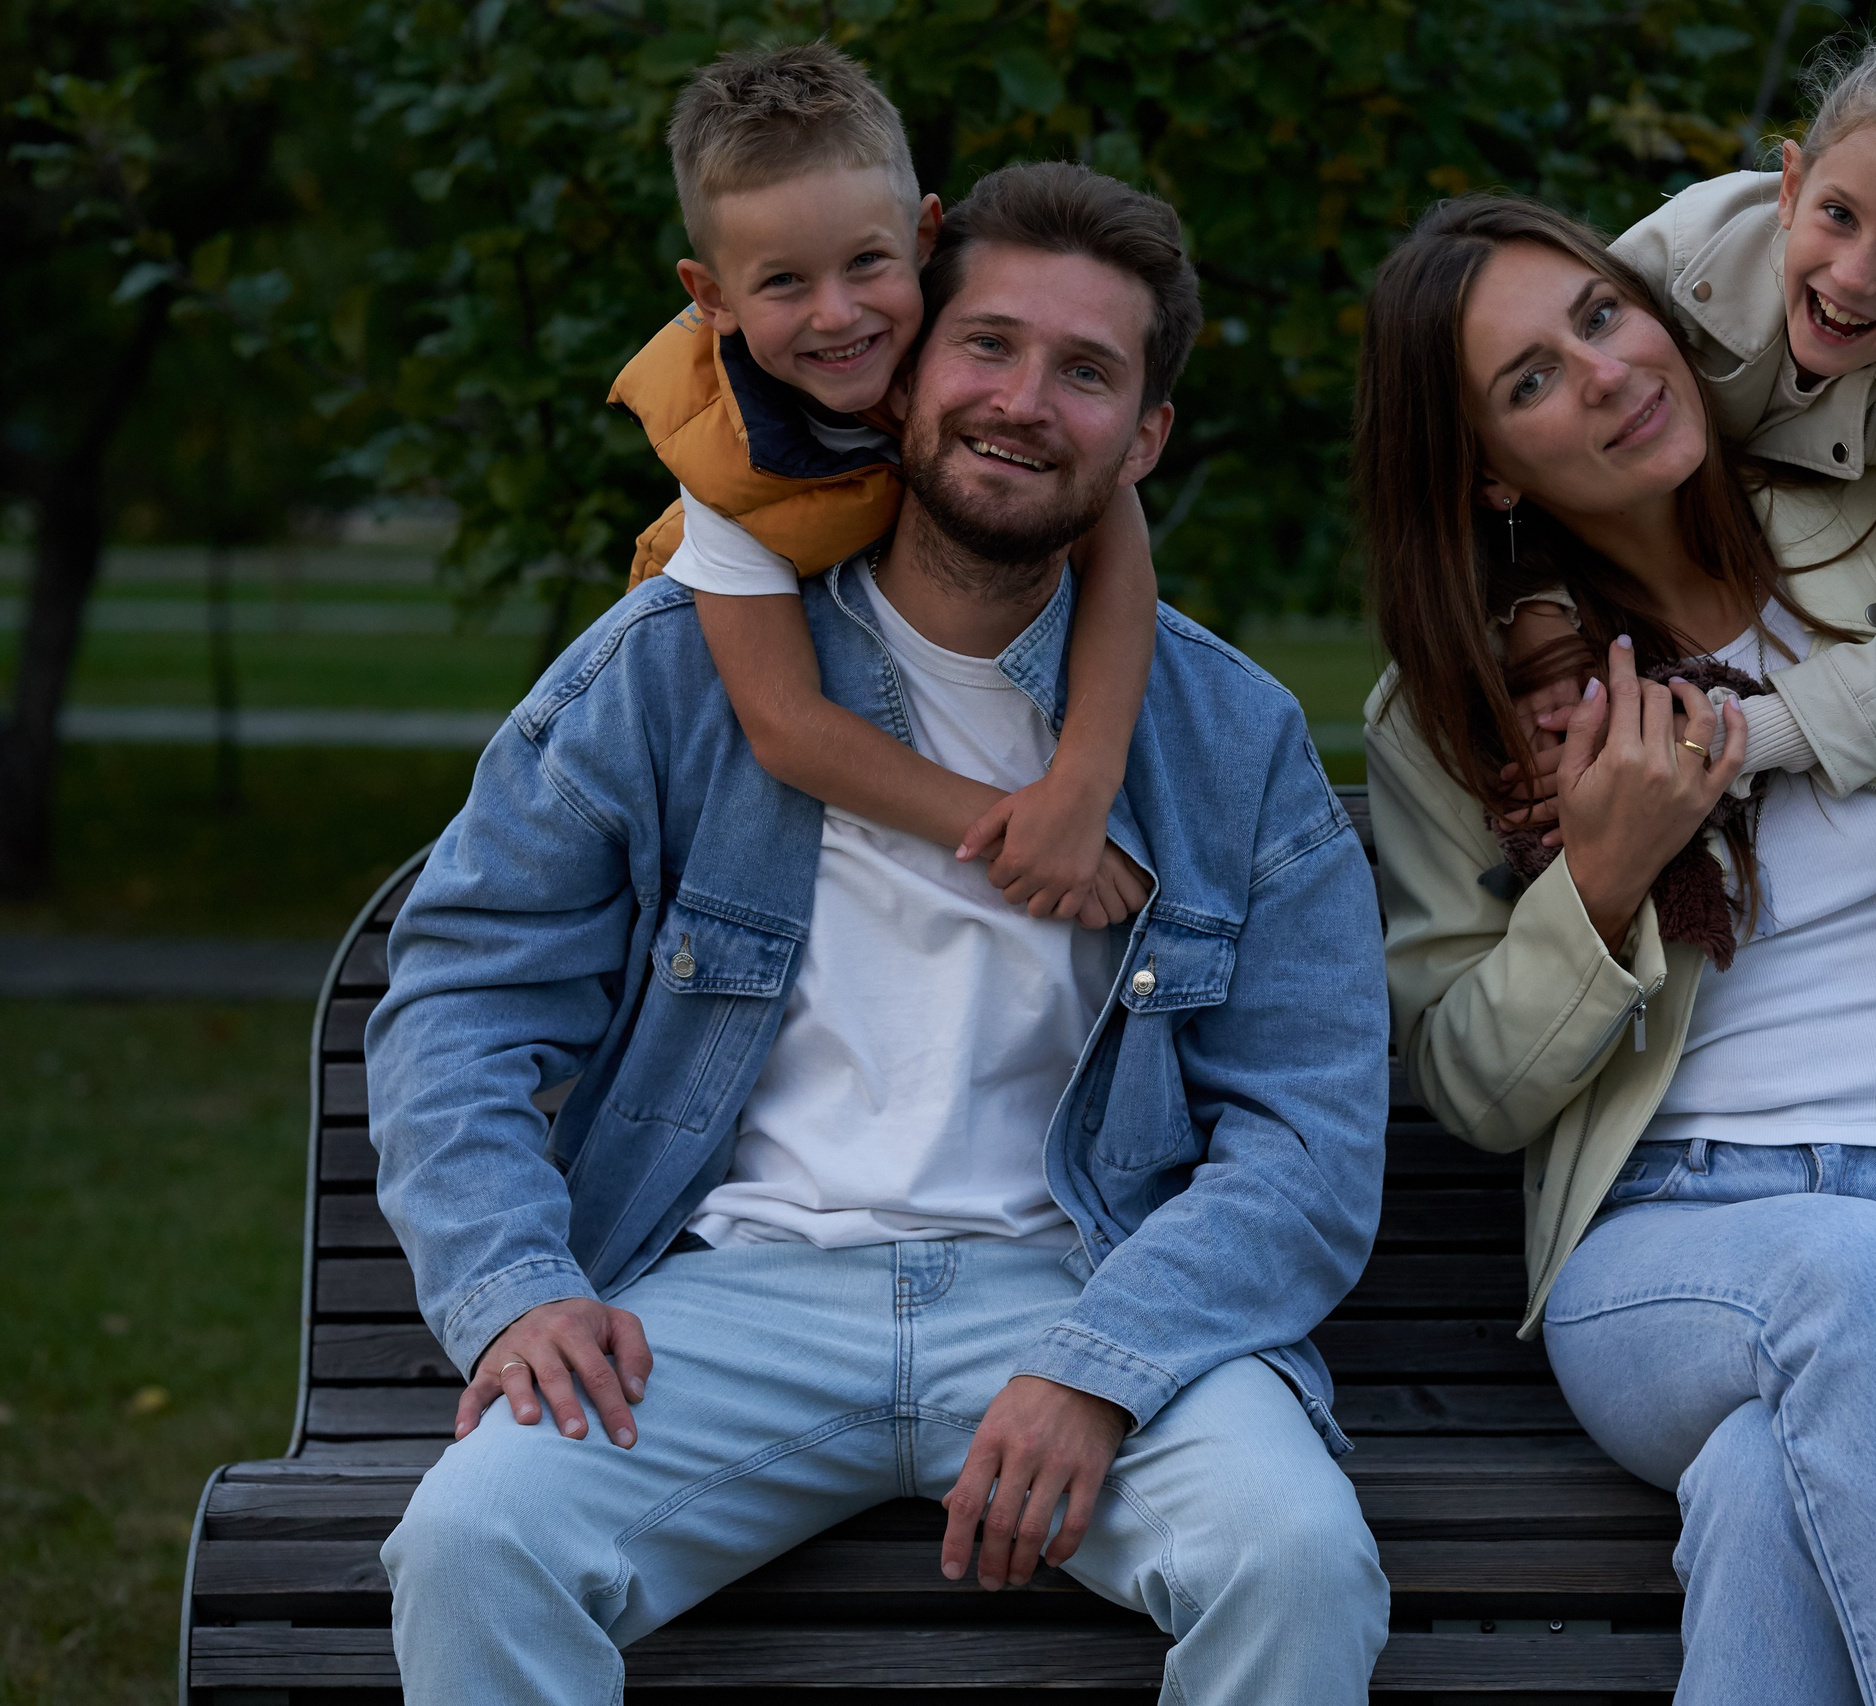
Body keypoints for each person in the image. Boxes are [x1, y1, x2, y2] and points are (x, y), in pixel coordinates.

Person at [368, 160, 1391, 1703]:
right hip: (724, 1296)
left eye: (1087, 371)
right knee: (474, 1544)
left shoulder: (1229, 738)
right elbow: (465, 996)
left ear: (1144, 438)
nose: (1023, 402)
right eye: (989, 345)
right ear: (906, 372)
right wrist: (515, 1281)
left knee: (1296, 1558)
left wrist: (1101, 1365)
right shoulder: (672, 664)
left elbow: (1308, 1136)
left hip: (1082, 1286)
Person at [1353, 173, 1876, 1705]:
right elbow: (1473, 1085)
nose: (1604, 371)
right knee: (1850, 1276)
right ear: (1486, 472)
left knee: (1766, 1483)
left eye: (1603, 314)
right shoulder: (1463, 714)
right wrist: (1599, 880)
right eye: (1530, 380)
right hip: (1673, 1248)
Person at [611, 43, 1153, 926]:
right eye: (783, 281)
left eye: (867, 262)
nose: (837, 314)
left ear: (923, 237)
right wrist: (1026, 832)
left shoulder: (979, 367)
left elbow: (1117, 545)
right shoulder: (730, 461)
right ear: (713, 296)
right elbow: (785, 724)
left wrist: (1083, 788)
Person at [1501, 38, 1876, 814]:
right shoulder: (1680, 256)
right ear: (1790, 187)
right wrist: (1535, 611)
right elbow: (1524, 438)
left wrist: (1736, 736)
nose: (1852, 275)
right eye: (1838, 214)